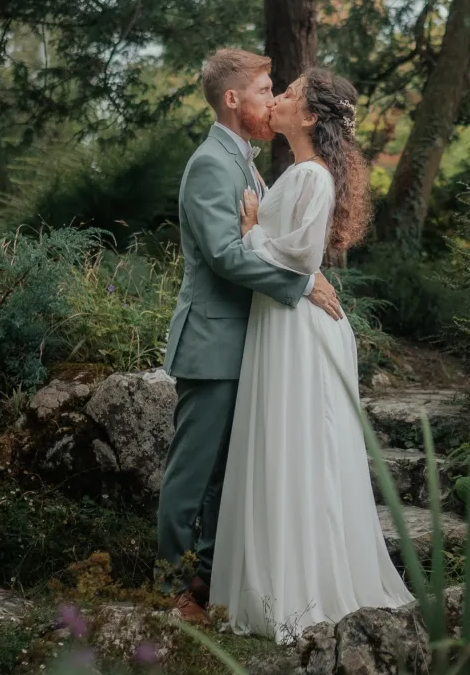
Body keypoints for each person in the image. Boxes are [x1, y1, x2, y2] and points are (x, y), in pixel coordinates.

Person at [210, 67, 414, 642]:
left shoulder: (311, 178)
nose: (277, 99)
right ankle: (275, 578)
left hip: (299, 328)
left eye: (290, 94)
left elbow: (298, 257)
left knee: (299, 448)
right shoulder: (297, 173)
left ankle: (303, 586)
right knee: (281, 444)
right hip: (284, 321)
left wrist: (251, 230)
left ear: (310, 118)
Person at [158, 49, 345, 626]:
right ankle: (170, 588)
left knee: (228, 478)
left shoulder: (250, 162)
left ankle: (209, 585)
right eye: (265, 90)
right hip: (214, 345)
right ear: (233, 99)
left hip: (252, 346)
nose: (271, 99)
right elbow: (223, 254)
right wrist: (300, 283)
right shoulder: (212, 163)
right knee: (192, 476)